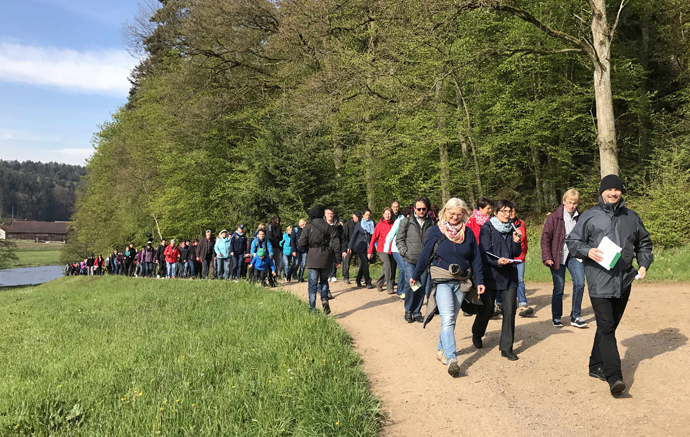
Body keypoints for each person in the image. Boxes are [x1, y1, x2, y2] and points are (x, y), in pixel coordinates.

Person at [566, 175, 653, 396]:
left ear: (621, 192)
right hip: (598, 281)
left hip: (624, 281)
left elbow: (644, 243)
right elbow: (573, 242)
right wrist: (588, 251)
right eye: (609, 189)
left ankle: (595, 365)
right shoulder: (590, 216)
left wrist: (643, 264)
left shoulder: (631, 217)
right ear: (602, 192)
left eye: (617, 189)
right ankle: (614, 377)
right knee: (606, 328)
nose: (613, 193)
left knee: (609, 326)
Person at [411, 198, 485, 376]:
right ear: (445, 212)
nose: (455, 217)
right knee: (448, 317)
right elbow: (425, 254)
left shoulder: (468, 234)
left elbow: (476, 259)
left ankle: (441, 349)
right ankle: (452, 359)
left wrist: (480, 281)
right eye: (452, 214)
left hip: (462, 281)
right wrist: (415, 275)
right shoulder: (435, 231)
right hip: (441, 279)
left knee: (451, 319)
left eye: (459, 214)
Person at [475, 200, 523, 361]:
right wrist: (497, 262)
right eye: (503, 211)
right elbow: (485, 252)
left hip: (509, 274)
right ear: (495, 212)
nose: (507, 214)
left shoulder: (513, 229)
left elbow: (515, 253)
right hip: (491, 274)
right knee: (488, 309)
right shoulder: (487, 228)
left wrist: (517, 241)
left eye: (509, 211)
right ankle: (477, 332)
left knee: (510, 310)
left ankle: (506, 347)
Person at [541, 189, 587, 328]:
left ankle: (575, 316)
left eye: (574, 203)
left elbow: (586, 236)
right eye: (569, 202)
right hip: (557, 256)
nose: (571, 206)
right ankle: (556, 316)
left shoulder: (581, 217)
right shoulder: (554, 217)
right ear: (564, 201)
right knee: (559, 287)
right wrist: (547, 257)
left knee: (580, 283)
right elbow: (545, 239)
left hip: (574, 255)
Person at [298, 205, 342, 314]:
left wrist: (309, 243)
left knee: (312, 284)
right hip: (326, 257)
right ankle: (324, 299)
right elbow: (336, 244)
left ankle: (312, 307)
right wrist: (338, 259)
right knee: (323, 281)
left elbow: (301, 243)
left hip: (313, 256)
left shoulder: (308, 227)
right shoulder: (329, 227)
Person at [397, 197, 434, 323]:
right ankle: (408, 310)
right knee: (411, 284)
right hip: (409, 259)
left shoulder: (432, 223)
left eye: (424, 209)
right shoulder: (406, 222)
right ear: (414, 209)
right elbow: (399, 239)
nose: (421, 211)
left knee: (421, 286)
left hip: (424, 261)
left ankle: (417, 311)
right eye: (419, 209)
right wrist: (404, 251)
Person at [495, 206, 534, 317]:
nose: (510, 213)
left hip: (519, 256)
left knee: (520, 280)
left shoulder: (520, 224)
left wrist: (521, 252)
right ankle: (499, 303)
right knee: (501, 279)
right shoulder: (500, 225)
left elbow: (522, 239)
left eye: (512, 211)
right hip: (506, 258)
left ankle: (522, 304)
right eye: (507, 211)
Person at [385, 205, 413, 299]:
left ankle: (408, 289)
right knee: (403, 268)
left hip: (406, 249)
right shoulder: (399, 221)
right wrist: (386, 249)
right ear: (407, 214)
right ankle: (400, 290)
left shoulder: (414, 222)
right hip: (396, 249)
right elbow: (390, 234)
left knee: (408, 269)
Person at [368, 207, 396, 293]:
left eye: (389, 214)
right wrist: (370, 251)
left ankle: (379, 283)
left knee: (388, 267)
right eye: (386, 213)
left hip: (391, 249)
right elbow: (373, 239)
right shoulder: (379, 225)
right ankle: (389, 287)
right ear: (383, 214)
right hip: (382, 249)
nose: (388, 215)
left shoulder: (393, 224)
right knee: (387, 265)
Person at [347, 209, 375, 289]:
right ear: (363, 215)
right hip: (360, 247)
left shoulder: (372, 224)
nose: (368, 217)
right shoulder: (359, 224)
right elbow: (354, 236)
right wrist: (349, 246)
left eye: (369, 215)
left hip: (368, 247)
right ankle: (368, 282)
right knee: (365, 263)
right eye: (366, 215)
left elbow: (375, 235)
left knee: (364, 264)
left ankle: (358, 279)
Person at [340, 212, 360, 284]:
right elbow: (344, 237)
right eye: (356, 216)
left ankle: (361, 277)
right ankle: (346, 277)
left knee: (361, 262)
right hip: (349, 246)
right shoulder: (348, 224)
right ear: (353, 215)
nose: (357, 218)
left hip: (359, 246)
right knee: (347, 262)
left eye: (358, 216)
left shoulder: (361, 224)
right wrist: (345, 249)